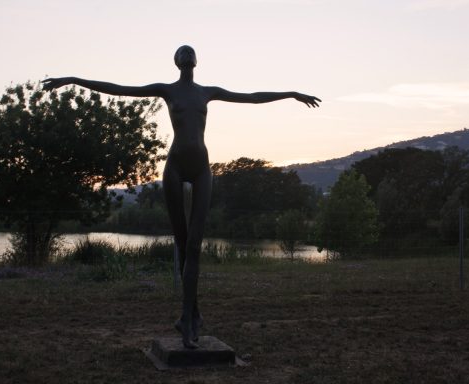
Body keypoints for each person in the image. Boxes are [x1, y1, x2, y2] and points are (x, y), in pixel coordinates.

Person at [42, 45, 321, 349]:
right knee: (182, 243)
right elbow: (119, 89)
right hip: (175, 168)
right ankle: (190, 317)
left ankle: (187, 318)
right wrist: (74, 80)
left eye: (190, 52)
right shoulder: (167, 90)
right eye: (182, 52)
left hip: (202, 169)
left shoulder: (207, 92)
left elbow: (251, 97)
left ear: (195, 61)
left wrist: (291, 93)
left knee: (195, 247)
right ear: (176, 61)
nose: (187, 54)